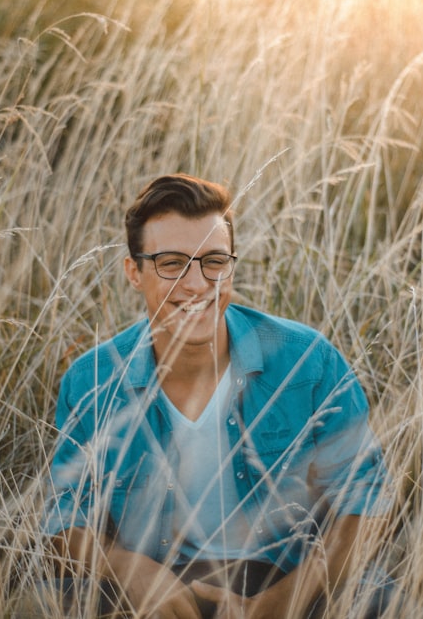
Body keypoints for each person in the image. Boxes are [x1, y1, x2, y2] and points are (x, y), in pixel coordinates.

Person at [44, 174, 393, 618]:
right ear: (135, 272)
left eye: (214, 261)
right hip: (159, 582)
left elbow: (367, 503)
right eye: (171, 263)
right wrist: (128, 568)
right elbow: (64, 519)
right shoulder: (93, 379)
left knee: (382, 600)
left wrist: (277, 604)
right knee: (42, 602)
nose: (196, 284)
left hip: (290, 578)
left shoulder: (307, 361)